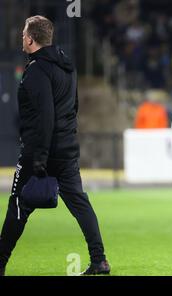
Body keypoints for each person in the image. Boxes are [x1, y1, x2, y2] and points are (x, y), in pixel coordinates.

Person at [0, 16, 109, 276]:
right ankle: (99, 260)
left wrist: (39, 157)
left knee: (18, 204)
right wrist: (68, 139)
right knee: (79, 202)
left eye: (24, 34)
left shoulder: (37, 69)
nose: (21, 38)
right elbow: (74, 106)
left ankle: (0, 261)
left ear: (30, 38)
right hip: (67, 147)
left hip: (41, 148)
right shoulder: (66, 66)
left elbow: (45, 114)